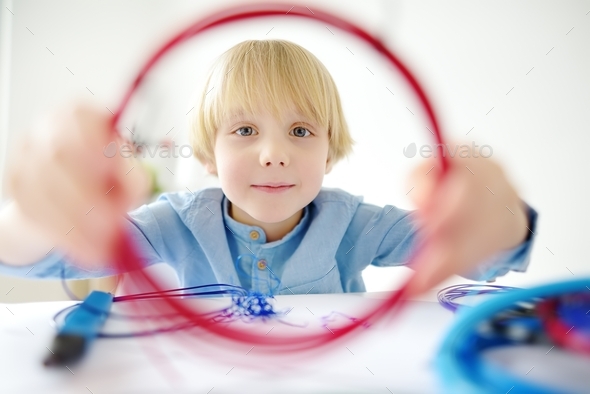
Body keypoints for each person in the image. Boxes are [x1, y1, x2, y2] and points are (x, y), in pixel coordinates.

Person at [0, 40, 536, 296]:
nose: (273, 154)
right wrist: (34, 213)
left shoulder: (356, 223)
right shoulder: (175, 222)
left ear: (328, 152)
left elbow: (488, 253)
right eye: (245, 130)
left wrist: (496, 215)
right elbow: (35, 258)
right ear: (210, 154)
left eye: (300, 132)